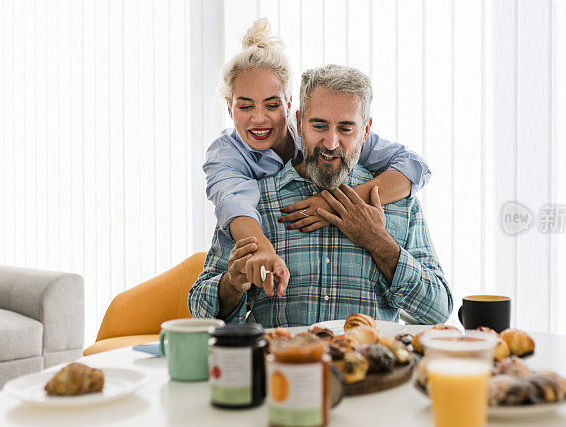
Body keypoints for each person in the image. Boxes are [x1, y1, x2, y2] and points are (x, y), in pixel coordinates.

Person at [189, 64, 452, 326]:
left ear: (366, 130)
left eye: (346, 129)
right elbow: (199, 310)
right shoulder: (255, 202)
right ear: (300, 123)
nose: (331, 143)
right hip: (283, 366)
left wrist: (379, 242)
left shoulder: (399, 202)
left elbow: (439, 311)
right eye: (319, 126)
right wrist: (232, 285)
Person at [204, 18, 430, 300]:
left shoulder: (334, 135)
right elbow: (233, 202)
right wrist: (261, 250)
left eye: (271, 105)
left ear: (289, 106)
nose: (259, 118)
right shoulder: (228, 157)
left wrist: (338, 205)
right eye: (245, 105)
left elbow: (412, 165)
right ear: (229, 108)